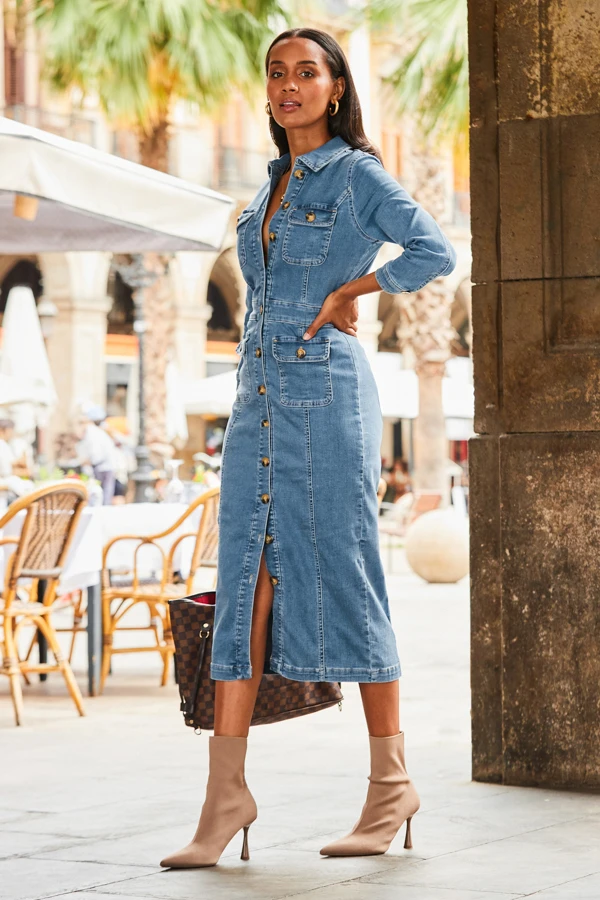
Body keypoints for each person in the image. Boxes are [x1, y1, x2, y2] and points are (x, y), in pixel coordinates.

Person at [161, 27, 456, 870]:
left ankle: (391, 784)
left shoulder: (357, 174)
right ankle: (225, 797)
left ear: (336, 87)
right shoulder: (270, 185)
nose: (289, 85)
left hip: (325, 399)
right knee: (243, 584)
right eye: (277, 73)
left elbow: (432, 249)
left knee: (347, 573)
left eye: (307, 72)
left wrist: (356, 286)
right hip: (255, 403)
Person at [75, 406, 118, 505]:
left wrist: (87, 461)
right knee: (103, 494)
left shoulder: (91, 432)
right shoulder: (96, 432)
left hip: (103, 467)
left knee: (102, 495)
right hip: (106, 466)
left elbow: (96, 455)